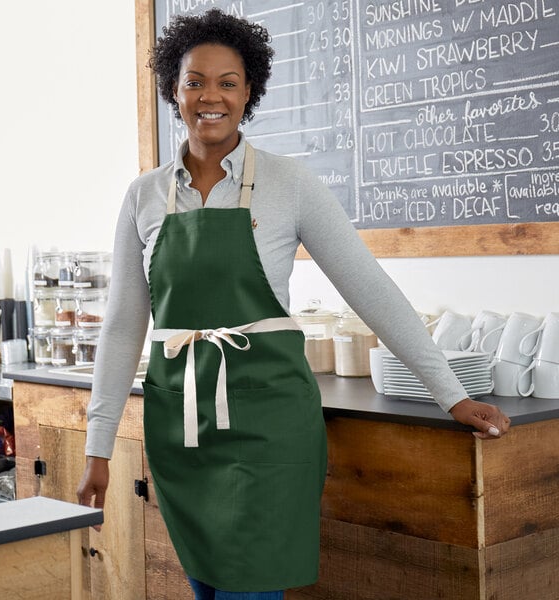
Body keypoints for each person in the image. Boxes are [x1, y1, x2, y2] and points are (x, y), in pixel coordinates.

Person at [77, 8, 510, 600]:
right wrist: (97, 446)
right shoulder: (143, 195)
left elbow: (370, 289)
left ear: (249, 92)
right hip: (180, 429)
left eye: (228, 82)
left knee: (249, 588)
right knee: (208, 589)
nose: (211, 96)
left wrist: (450, 393)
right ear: (172, 91)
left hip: (270, 427)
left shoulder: (291, 184)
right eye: (194, 81)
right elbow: (125, 324)